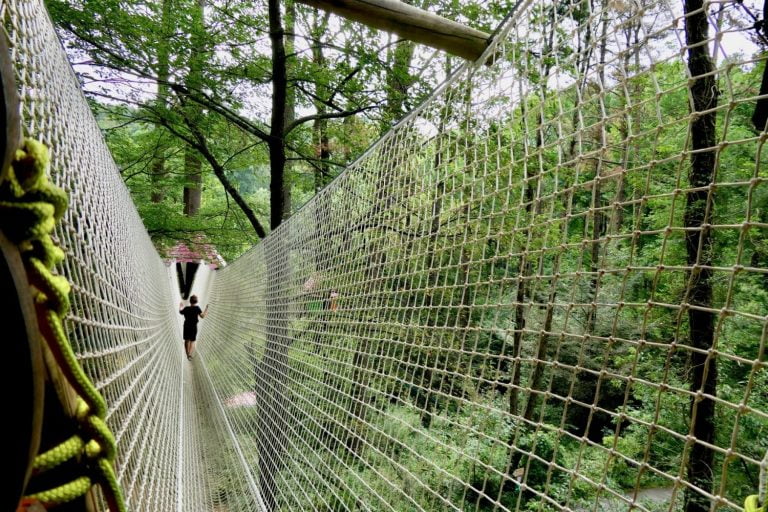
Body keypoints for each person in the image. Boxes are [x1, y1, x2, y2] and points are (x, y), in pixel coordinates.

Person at [179, 295, 209, 360]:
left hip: (186, 326)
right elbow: (202, 316)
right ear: (196, 301)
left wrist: (181, 306)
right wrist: (206, 309)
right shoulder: (197, 308)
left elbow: (180, 312)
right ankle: (189, 355)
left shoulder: (186, 308)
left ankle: (187, 353)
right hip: (193, 327)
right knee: (192, 341)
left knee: (187, 340)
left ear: (190, 301)